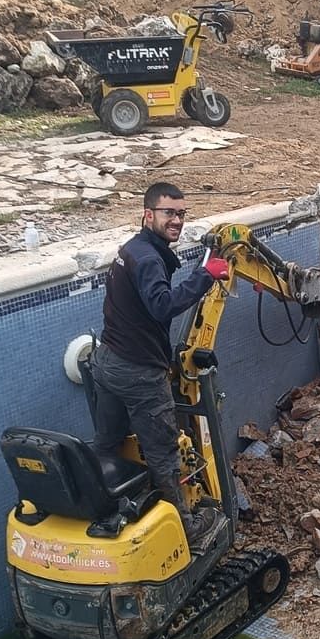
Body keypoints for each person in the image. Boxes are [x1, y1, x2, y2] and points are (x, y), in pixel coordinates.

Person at [90, 181, 230, 549]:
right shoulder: (150, 259)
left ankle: (107, 507)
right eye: (169, 213)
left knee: (107, 443)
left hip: (108, 362)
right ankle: (185, 529)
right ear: (148, 214)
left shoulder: (132, 250)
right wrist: (207, 275)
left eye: (182, 214)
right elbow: (162, 306)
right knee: (163, 454)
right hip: (138, 372)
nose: (177, 221)